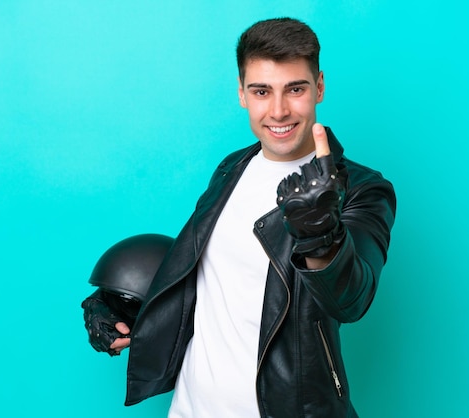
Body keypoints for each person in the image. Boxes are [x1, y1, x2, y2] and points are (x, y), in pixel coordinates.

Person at [82, 17, 396, 417]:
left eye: (295, 89)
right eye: (261, 91)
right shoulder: (232, 168)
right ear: (242, 93)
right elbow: (207, 278)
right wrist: (120, 302)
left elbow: (352, 299)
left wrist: (321, 234)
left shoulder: (362, 188)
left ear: (319, 86)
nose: (279, 111)